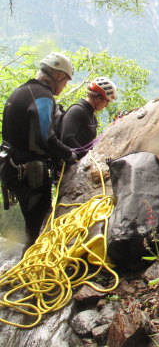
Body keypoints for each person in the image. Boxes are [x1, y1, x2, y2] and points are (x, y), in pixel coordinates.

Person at [0, 52, 77, 250]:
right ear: (59, 76)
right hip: (30, 171)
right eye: (66, 81)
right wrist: (69, 155)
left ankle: (26, 270)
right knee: (37, 228)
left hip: (11, 165)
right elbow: (47, 137)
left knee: (32, 225)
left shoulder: (22, 90)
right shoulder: (43, 96)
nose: (64, 86)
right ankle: (29, 274)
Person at [59, 76, 118, 158]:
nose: (106, 105)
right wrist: (87, 155)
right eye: (106, 101)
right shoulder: (77, 110)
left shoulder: (91, 116)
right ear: (98, 97)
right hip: (68, 164)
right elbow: (66, 138)